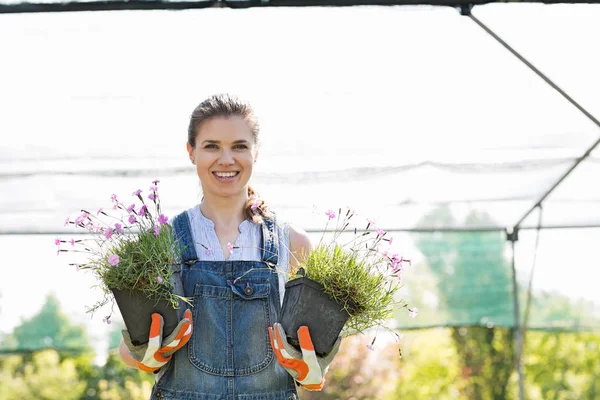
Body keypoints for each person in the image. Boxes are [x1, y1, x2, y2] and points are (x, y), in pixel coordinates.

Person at [119, 94, 341, 400]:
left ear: (255, 153)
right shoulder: (162, 244)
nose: (226, 159)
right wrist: (147, 356)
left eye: (239, 146)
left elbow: (313, 353)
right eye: (211, 146)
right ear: (191, 152)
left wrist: (313, 370)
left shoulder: (294, 244)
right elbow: (128, 350)